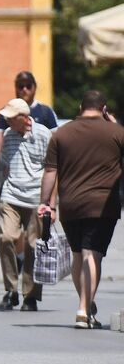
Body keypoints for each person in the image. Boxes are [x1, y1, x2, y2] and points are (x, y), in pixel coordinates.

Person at [38, 90, 124, 329]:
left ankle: (86, 305)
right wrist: (115, 124)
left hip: (71, 205)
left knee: (78, 255)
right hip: (102, 205)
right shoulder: (117, 133)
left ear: (80, 107)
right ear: (104, 109)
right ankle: (83, 310)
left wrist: (46, 203)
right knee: (91, 254)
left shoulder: (61, 134)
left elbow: (50, 172)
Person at [0, 98, 51, 312]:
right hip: (12, 196)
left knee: (34, 246)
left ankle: (30, 295)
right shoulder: (8, 135)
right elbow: (6, 165)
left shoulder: (44, 134)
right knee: (5, 237)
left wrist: (51, 205)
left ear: (24, 118)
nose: (6, 120)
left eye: (10, 117)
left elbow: (53, 170)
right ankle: (11, 290)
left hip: (37, 198)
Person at [0, 71, 58, 190]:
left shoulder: (45, 112)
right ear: (15, 88)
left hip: (38, 177)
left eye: (28, 86)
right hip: (13, 177)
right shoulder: (6, 112)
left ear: (34, 87)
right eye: (20, 86)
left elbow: (56, 142)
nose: (24, 90)